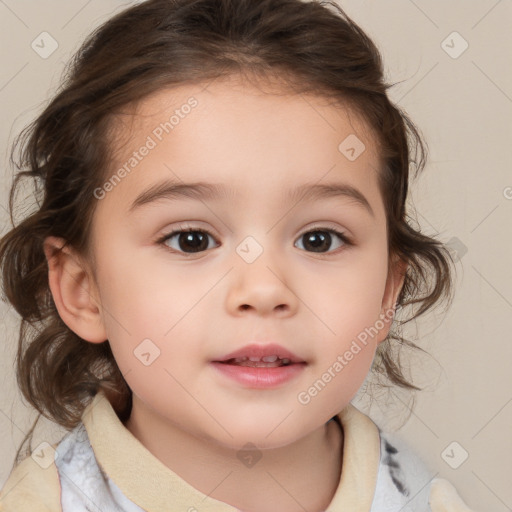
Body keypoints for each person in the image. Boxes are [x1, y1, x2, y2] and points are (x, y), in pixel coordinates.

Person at [0, 0, 477, 510]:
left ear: (387, 291)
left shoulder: (427, 500)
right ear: (83, 289)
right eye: (192, 240)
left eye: (319, 239)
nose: (264, 289)